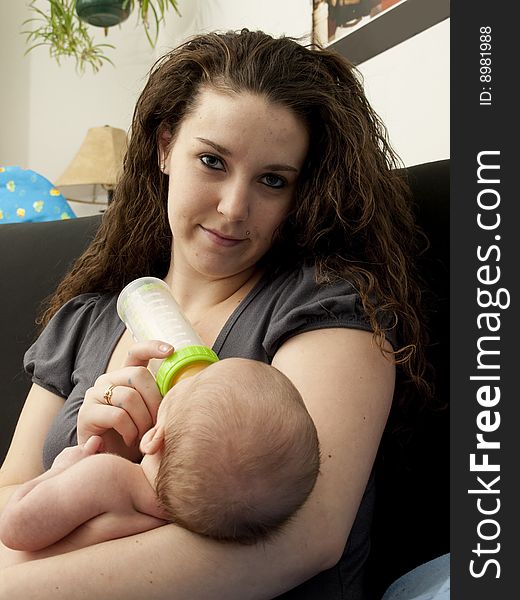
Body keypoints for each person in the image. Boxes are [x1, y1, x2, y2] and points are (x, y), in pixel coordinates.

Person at [0, 29, 431, 599]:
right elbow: (10, 498)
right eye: (212, 161)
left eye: (272, 180)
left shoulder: (324, 304)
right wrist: (95, 459)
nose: (233, 208)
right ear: (163, 147)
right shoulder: (84, 321)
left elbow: (305, 538)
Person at [0, 358, 320, 554]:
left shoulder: (106, 476)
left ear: (153, 436)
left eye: (174, 396)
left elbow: (15, 527)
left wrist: (61, 468)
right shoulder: (184, 522)